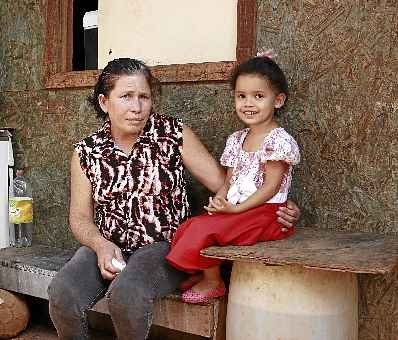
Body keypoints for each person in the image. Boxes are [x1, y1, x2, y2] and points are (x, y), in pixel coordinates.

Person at [47, 57, 300, 340]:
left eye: (144, 96)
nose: (137, 107)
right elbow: (79, 218)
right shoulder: (86, 152)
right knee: (62, 293)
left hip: (163, 248)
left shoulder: (172, 134)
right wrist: (100, 245)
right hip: (106, 245)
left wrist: (275, 204)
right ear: (105, 102)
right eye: (126, 96)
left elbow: (227, 186)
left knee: (127, 295)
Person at [165, 51, 300, 304]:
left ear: (278, 100)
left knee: (203, 230)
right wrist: (219, 202)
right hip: (239, 210)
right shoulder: (236, 140)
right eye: (241, 96)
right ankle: (202, 271)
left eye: (258, 96)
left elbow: (270, 188)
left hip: (265, 214)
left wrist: (235, 210)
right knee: (189, 226)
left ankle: (214, 282)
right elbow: (228, 183)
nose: (248, 103)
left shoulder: (278, 141)